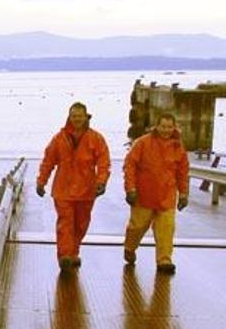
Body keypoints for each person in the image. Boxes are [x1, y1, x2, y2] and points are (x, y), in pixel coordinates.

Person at [36, 102, 111, 270]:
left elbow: (104, 162)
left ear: (86, 117)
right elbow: (48, 161)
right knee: (65, 223)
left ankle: (74, 252)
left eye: (80, 116)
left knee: (81, 224)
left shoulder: (96, 138)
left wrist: (101, 182)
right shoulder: (59, 138)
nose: (77, 119)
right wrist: (41, 181)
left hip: (86, 190)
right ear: (69, 117)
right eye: (74, 116)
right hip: (63, 190)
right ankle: (64, 256)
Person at [122, 113, 189, 274]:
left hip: (167, 196)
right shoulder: (142, 143)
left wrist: (184, 193)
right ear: (157, 126)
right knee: (137, 227)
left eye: (169, 127)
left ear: (174, 127)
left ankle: (164, 260)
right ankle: (129, 248)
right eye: (163, 126)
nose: (166, 130)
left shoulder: (178, 146)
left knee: (166, 229)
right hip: (144, 195)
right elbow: (130, 165)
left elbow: (182, 171)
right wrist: (130, 189)